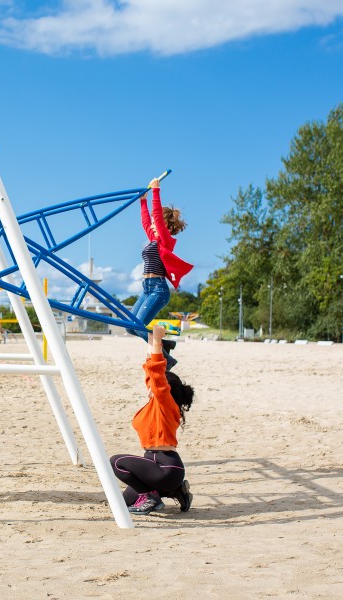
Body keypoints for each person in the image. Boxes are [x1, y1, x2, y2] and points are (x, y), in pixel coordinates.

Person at [109, 325, 194, 515]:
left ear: (165, 389)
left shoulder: (165, 403)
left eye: (157, 384)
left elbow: (156, 372)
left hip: (165, 467)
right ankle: (176, 490)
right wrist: (149, 339)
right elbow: (150, 372)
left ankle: (151, 497)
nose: (150, 385)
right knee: (122, 503)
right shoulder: (156, 404)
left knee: (115, 462)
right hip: (158, 471)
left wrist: (157, 340)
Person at [127, 178, 193, 370]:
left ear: (163, 224)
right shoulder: (153, 238)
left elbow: (155, 216)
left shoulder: (165, 240)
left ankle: (166, 359)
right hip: (146, 289)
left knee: (139, 326)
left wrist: (156, 191)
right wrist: (142, 201)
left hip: (158, 290)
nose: (153, 225)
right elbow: (146, 221)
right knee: (130, 327)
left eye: (158, 222)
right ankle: (166, 344)